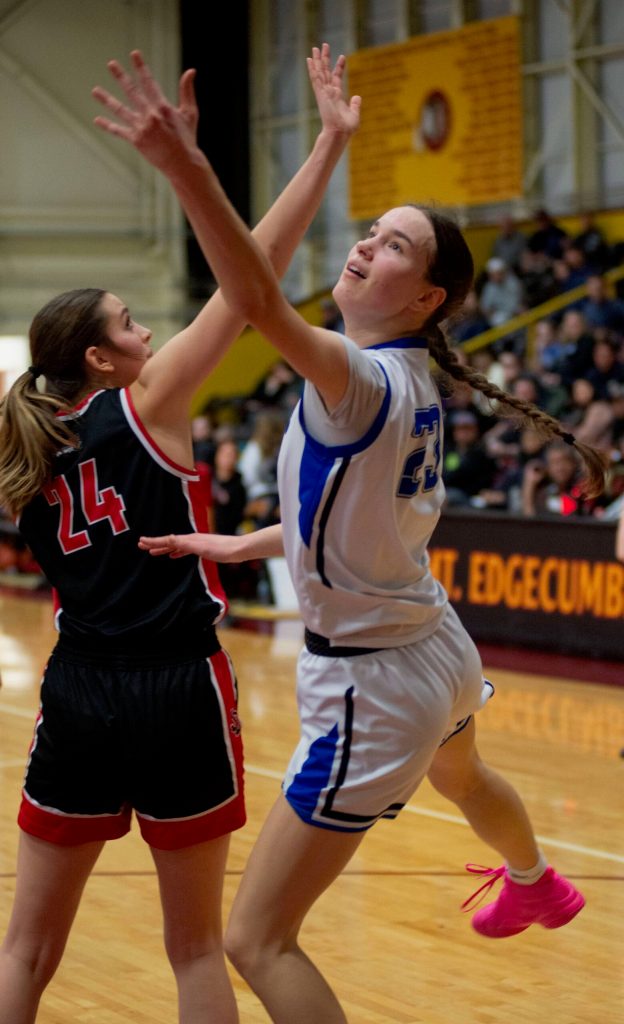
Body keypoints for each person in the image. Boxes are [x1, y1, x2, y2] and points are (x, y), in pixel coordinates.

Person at [137, 81, 607, 1021]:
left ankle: (532, 880)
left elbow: (252, 292)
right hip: (434, 641)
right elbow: (359, 519)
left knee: (254, 940)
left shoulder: (354, 377)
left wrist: (187, 167)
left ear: (429, 295)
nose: (365, 245)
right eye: (371, 230)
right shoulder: (416, 376)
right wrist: (248, 540)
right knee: (464, 775)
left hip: (371, 687)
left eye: (395, 245)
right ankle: (535, 880)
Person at [0, 45, 361, 1024]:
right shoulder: (147, 402)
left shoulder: (26, 454)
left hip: (80, 686)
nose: (149, 335)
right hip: (177, 685)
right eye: (130, 322)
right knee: (197, 948)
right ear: (101, 357)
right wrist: (327, 145)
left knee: (26, 950)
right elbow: (255, 285)